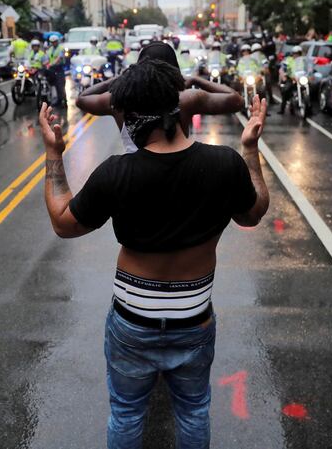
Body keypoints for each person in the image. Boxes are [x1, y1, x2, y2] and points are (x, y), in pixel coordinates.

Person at [38, 59, 269, 449]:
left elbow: (63, 222)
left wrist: (53, 152)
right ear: (176, 107)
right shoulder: (224, 163)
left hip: (132, 324)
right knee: (193, 411)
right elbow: (254, 213)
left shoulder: (116, 172)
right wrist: (249, 149)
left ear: (131, 117)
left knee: (127, 413)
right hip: (193, 322)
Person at [77, 41, 243, 154]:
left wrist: (119, 79)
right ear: (174, 70)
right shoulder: (186, 99)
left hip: (134, 177)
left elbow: (82, 99)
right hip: (177, 175)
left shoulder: (118, 101)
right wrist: (196, 79)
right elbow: (235, 99)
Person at [279, 46, 306, 115]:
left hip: (301, 78)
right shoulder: (288, 60)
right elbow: (283, 68)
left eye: (298, 53)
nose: (296, 55)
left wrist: (310, 74)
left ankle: (309, 108)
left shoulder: (303, 60)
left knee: (309, 88)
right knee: (286, 90)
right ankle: (282, 109)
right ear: (292, 53)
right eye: (295, 53)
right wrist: (284, 74)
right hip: (291, 78)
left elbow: (308, 68)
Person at [46, 35, 67, 107]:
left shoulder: (61, 48)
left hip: (59, 68)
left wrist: (52, 63)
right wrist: (47, 64)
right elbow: (47, 59)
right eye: (52, 42)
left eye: (55, 42)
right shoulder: (49, 50)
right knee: (55, 85)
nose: (53, 43)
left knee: (61, 85)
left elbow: (59, 58)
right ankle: (59, 100)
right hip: (52, 69)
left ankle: (64, 101)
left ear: (57, 41)